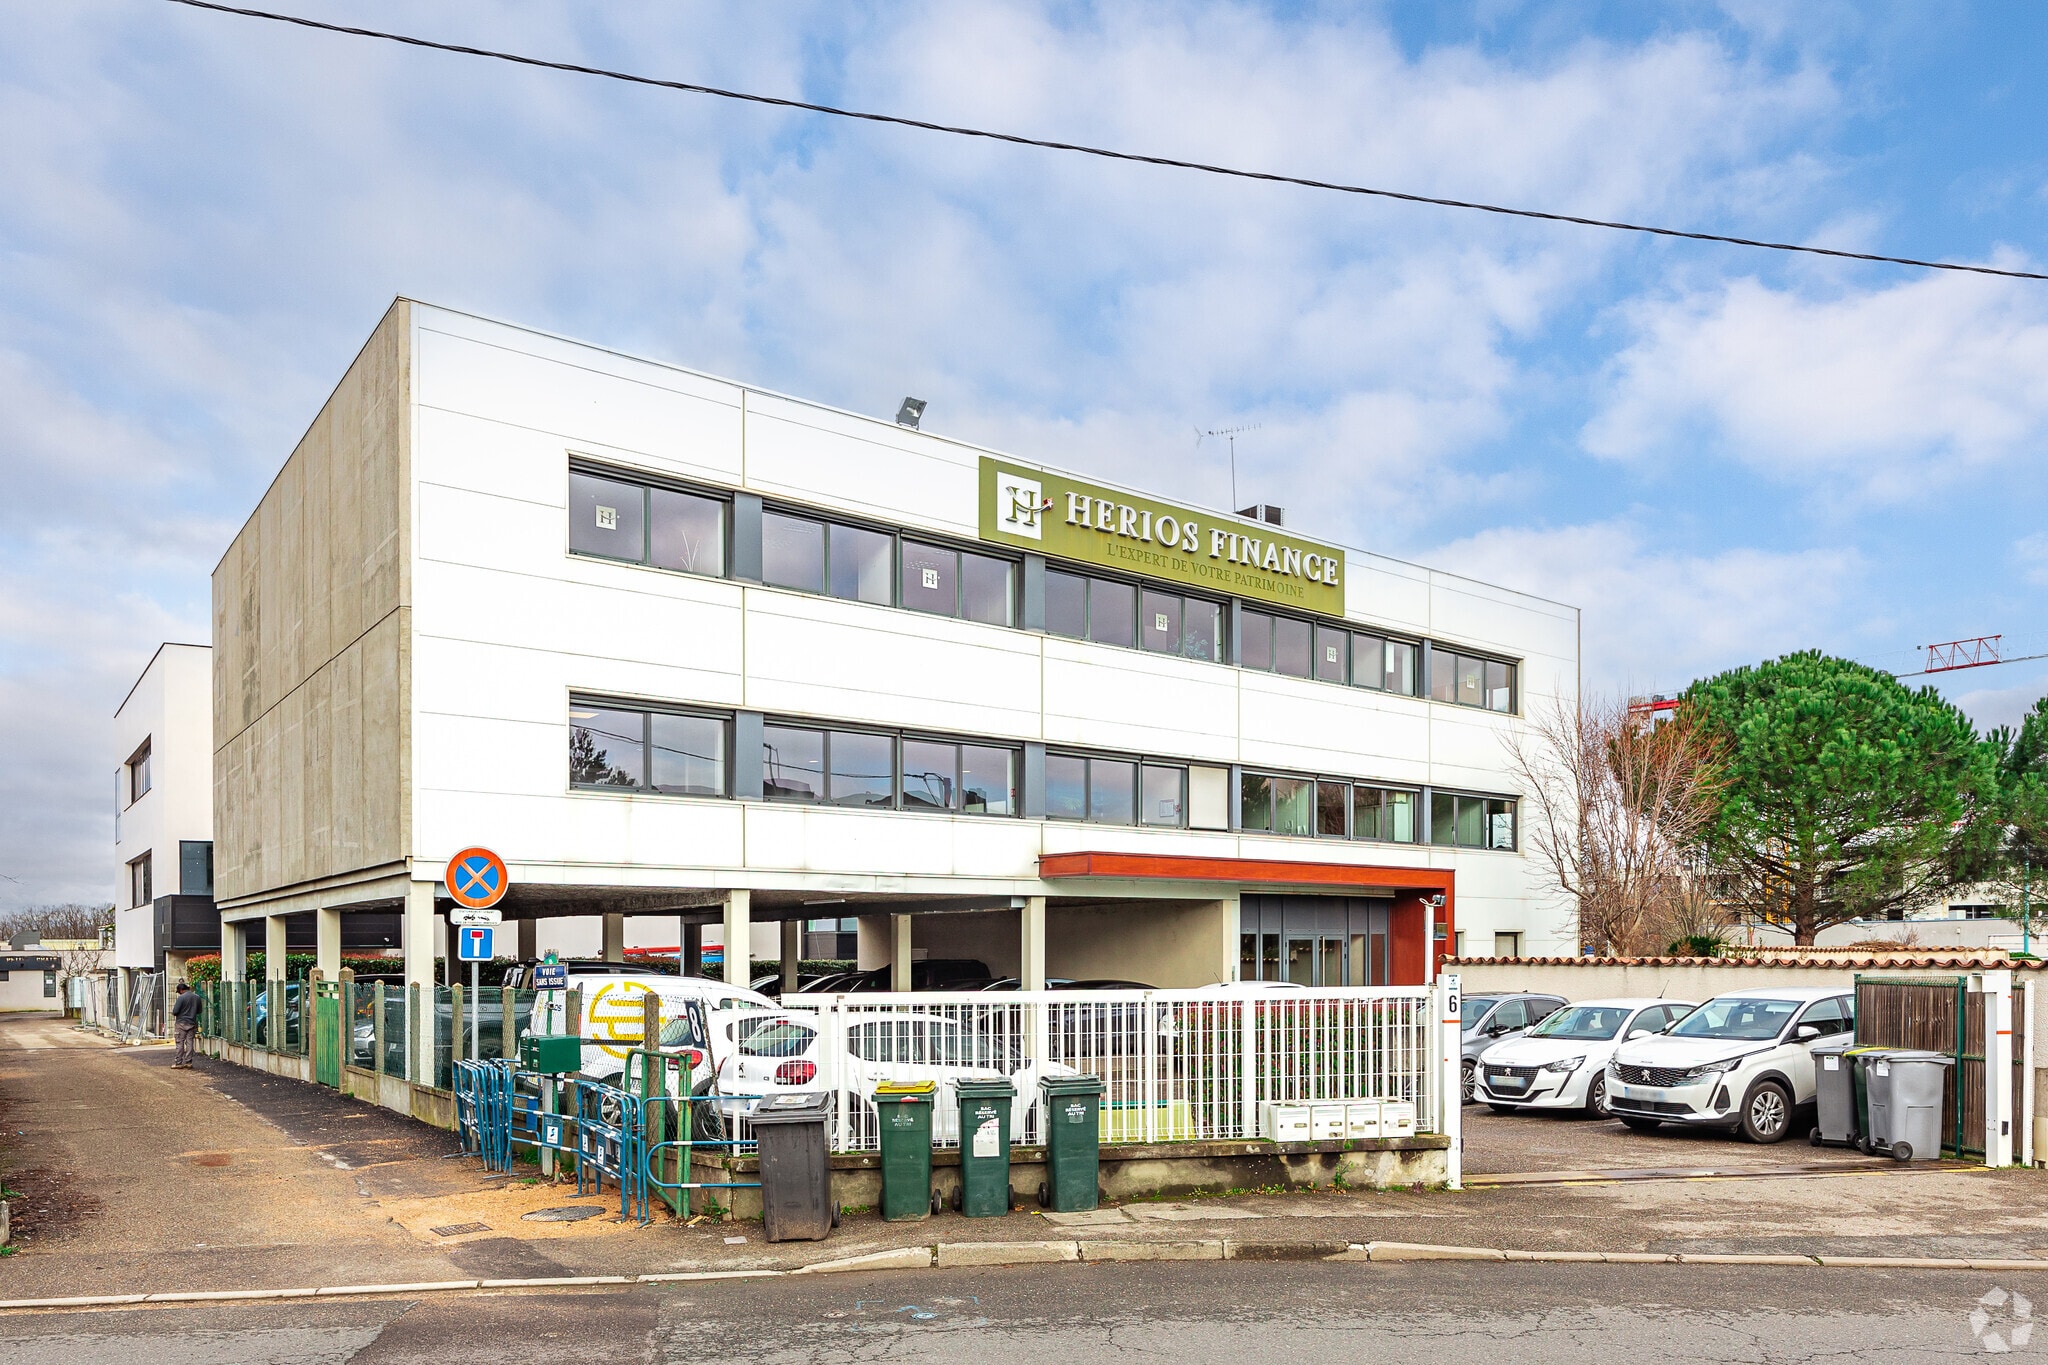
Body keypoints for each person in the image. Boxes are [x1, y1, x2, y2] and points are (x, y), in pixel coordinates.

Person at [170, 981, 202, 1068]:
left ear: (181, 990)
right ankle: (188, 1062)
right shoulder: (197, 997)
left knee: (180, 1043)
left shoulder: (181, 998)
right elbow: (199, 1011)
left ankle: (178, 1063)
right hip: (192, 1023)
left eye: (179, 992)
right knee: (189, 1042)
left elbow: (175, 1011)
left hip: (181, 1023)